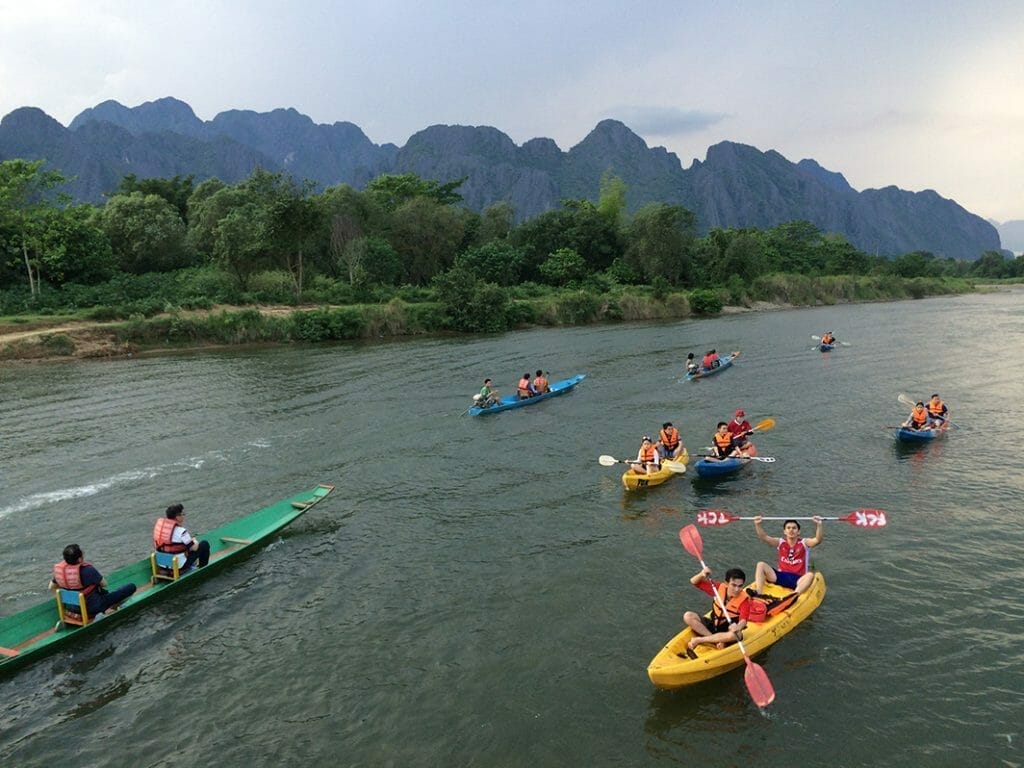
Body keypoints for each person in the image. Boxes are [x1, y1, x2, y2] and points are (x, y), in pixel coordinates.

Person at [50, 543, 136, 618]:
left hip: (71, 608)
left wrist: (69, 594)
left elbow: (51, 587)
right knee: (130, 587)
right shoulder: (87, 570)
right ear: (79, 559)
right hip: (93, 607)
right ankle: (106, 609)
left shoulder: (61, 571)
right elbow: (104, 584)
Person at [682, 566, 751, 652]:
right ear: (726, 583)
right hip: (713, 626)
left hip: (728, 631)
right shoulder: (718, 588)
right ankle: (716, 640)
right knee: (688, 616)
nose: (737, 589)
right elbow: (694, 581)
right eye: (733, 585)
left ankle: (700, 640)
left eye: (740, 586)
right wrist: (702, 574)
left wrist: (737, 627)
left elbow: (743, 621)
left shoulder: (744, 601)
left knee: (737, 634)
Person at [751, 516, 823, 596]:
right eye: (788, 528)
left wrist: (819, 525)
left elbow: (817, 540)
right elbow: (764, 537)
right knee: (760, 565)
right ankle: (758, 592)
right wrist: (758, 525)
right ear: (784, 531)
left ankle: (794, 595)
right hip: (781, 576)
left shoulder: (804, 543)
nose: (791, 530)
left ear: (798, 532)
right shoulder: (780, 542)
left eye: (794, 528)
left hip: (798, 579)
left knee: (810, 575)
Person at [154, 503, 211, 571]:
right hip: (178, 565)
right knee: (204, 544)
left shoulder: (161, 529)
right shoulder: (181, 531)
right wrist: (195, 541)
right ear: (177, 517)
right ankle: (202, 568)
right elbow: (195, 548)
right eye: (182, 514)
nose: (183, 516)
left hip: (161, 564)